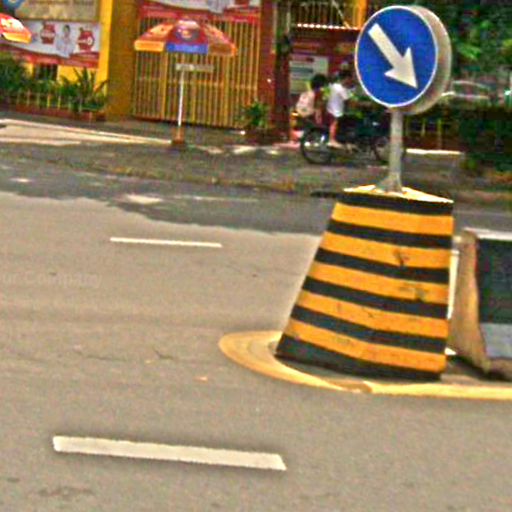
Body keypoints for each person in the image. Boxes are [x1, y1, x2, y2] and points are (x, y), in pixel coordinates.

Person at [326, 70, 354, 148]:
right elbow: (349, 101)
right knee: (334, 124)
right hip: (335, 111)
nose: (350, 81)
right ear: (346, 78)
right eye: (350, 79)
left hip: (330, 109)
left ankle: (339, 140)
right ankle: (331, 140)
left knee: (336, 124)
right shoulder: (341, 88)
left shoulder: (334, 86)